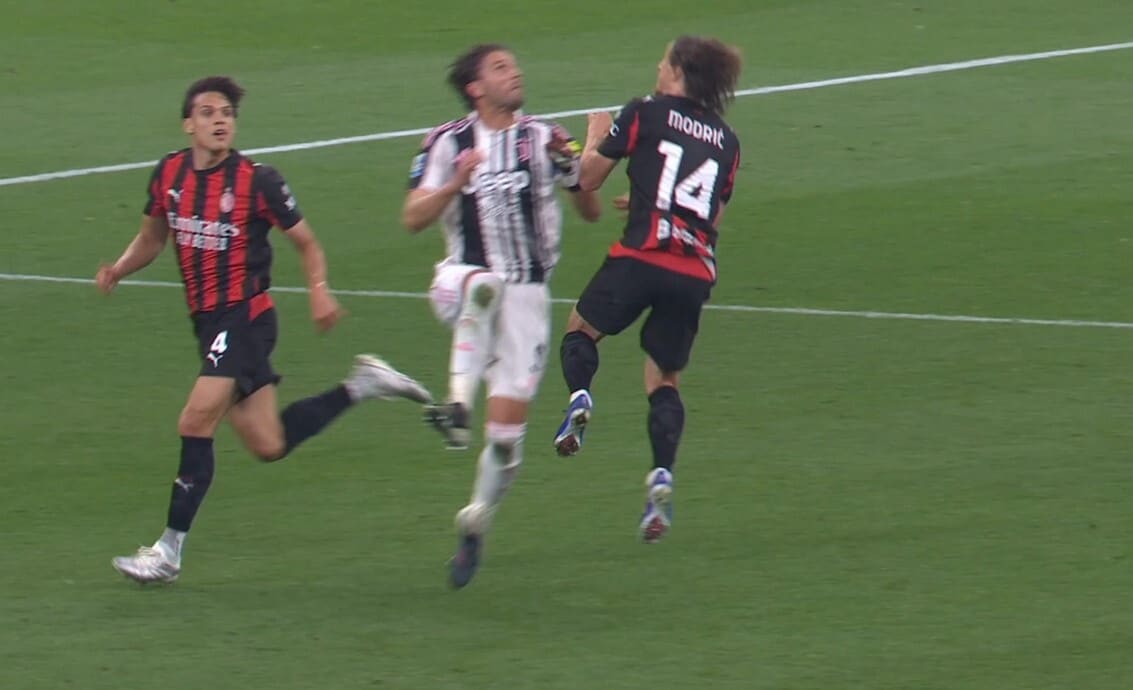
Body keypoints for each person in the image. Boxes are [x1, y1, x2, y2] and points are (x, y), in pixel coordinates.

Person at [98, 76, 432, 584]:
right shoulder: (168, 174)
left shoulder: (258, 181)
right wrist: (119, 269)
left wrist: (319, 290)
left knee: (195, 419)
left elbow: (307, 243)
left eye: (226, 113)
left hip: (246, 317)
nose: (219, 120)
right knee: (268, 443)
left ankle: (168, 551)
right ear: (188, 124)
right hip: (208, 324)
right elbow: (152, 237)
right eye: (208, 112)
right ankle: (363, 385)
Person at [402, 44, 601, 587]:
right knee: (485, 285)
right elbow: (412, 218)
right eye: (500, 67)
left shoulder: (546, 137)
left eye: (514, 65)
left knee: (507, 441)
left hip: (528, 300)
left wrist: (572, 166)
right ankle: (458, 405)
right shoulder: (446, 142)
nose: (515, 73)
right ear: (475, 87)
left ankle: (475, 522)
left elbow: (589, 208)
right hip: (460, 281)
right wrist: (455, 182)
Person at [553, 36, 743, 544]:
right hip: (694, 270)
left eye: (663, 60)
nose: (657, 66)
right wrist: (648, 200)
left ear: (678, 71)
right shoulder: (728, 142)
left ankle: (579, 396)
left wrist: (591, 138)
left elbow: (586, 179)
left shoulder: (644, 111)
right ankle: (661, 474)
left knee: (581, 330)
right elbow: (710, 218)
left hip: (642, 256)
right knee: (664, 379)